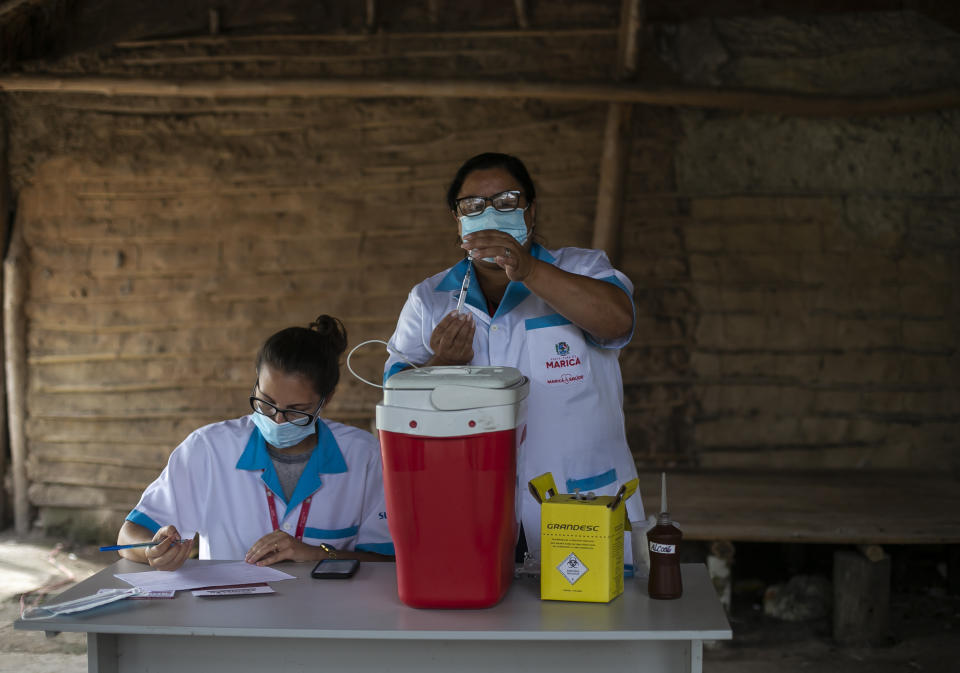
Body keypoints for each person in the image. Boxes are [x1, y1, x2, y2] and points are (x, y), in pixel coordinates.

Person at [383, 152, 646, 571]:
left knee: (594, 627)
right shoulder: (429, 299)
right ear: (458, 220)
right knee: (487, 625)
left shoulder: (582, 268)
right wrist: (439, 365)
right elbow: (395, 401)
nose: (489, 214)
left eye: (506, 201)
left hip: (581, 503)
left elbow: (617, 322)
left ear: (531, 210)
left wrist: (528, 270)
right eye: (472, 205)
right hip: (476, 508)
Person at [118, 315, 394, 571]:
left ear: (327, 400)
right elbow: (128, 537)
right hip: (229, 620)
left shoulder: (364, 457)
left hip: (332, 619)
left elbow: (389, 560)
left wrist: (315, 553)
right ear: (256, 384)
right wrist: (152, 551)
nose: (277, 419)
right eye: (267, 402)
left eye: (296, 410)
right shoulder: (209, 450)